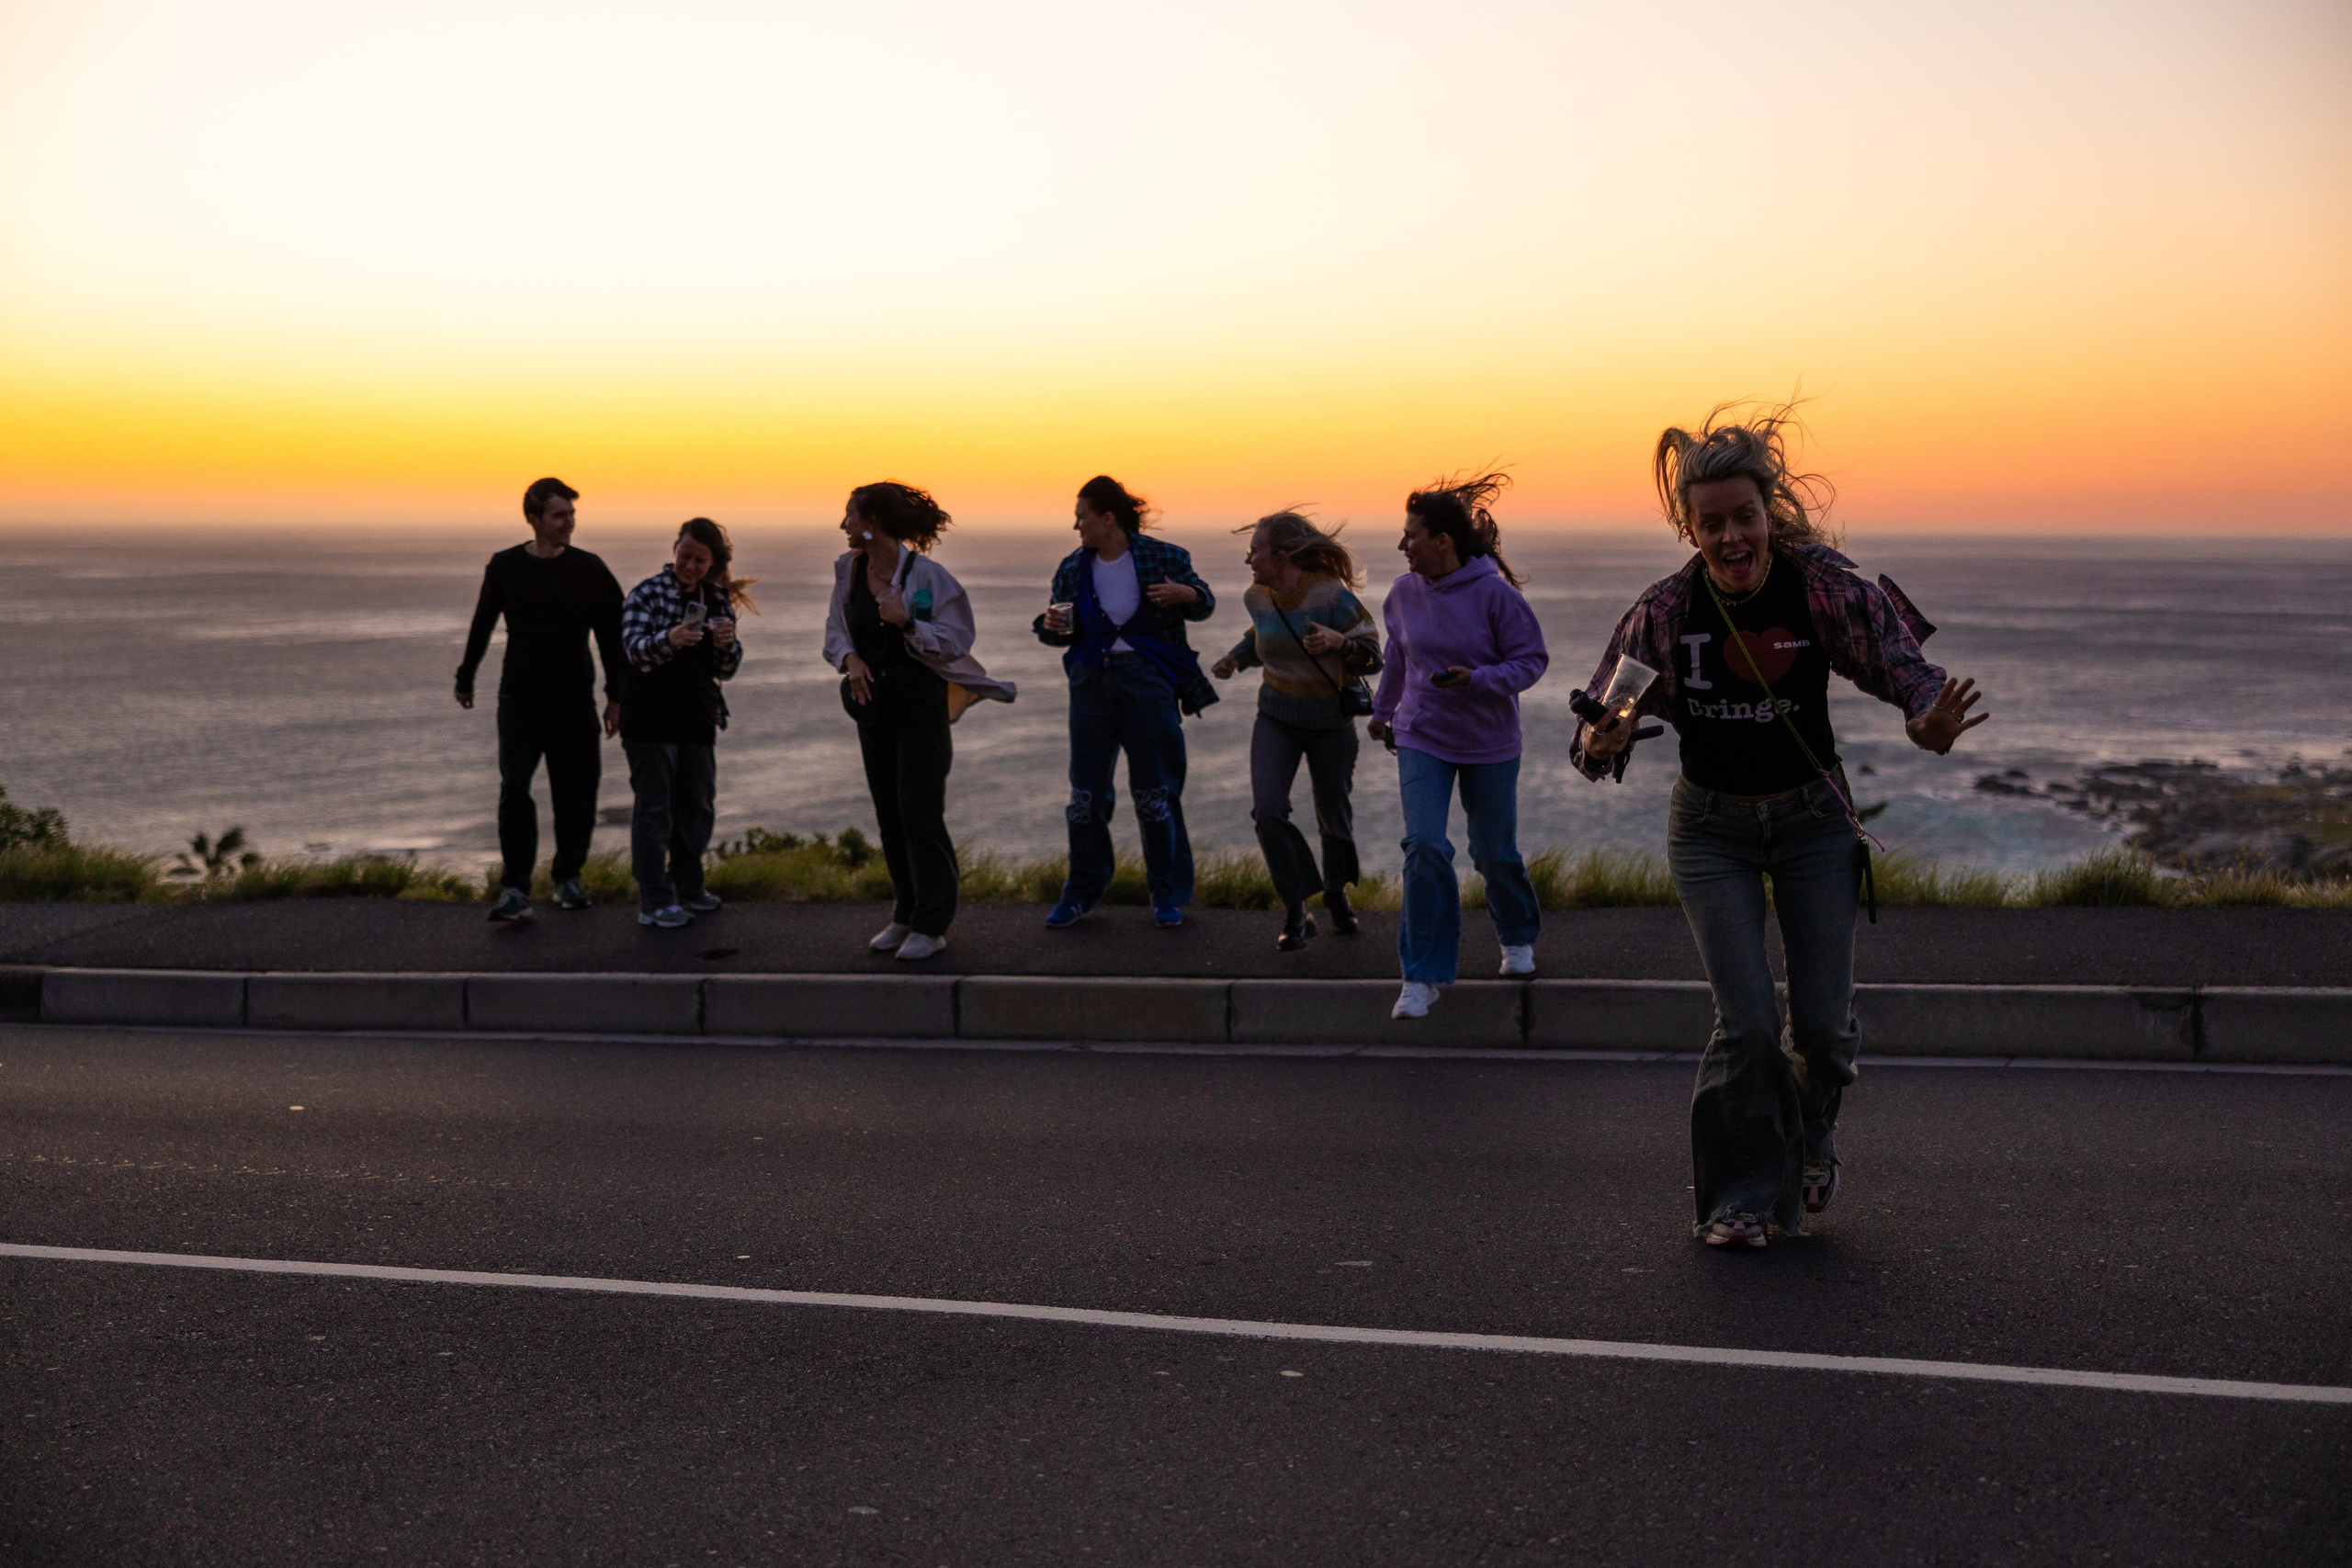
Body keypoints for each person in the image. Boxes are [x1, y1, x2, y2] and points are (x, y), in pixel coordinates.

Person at [1574, 405, 1986, 1250]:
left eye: (1744, 518)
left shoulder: (1822, 586)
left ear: (1771, 513)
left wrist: (1928, 722)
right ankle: (1738, 1200)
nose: (1730, 538)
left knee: (1825, 1033)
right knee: (1750, 1023)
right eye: (1711, 523)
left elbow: (1906, 672)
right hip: (1710, 830)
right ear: (1690, 530)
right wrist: (1602, 738)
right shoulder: (1661, 611)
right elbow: (1593, 731)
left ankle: (1813, 1134)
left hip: (1811, 823)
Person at [1368, 472, 1548, 1019]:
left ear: (1442, 541)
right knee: (1424, 845)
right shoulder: (1401, 594)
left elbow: (1531, 661)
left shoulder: (1495, 595)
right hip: (1422, 734)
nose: (1403, 546)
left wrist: (1478, 679)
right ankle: (1421, 977)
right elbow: (1399, 657)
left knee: (1494, 853)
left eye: (1411, 535)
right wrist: (1382, 714)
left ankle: (1516, 938)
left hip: (1490, 740)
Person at [823, 481, 1016, 962]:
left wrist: (908, 622)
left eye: (851, 516)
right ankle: (905, 913)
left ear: (875, 524)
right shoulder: (848, 571)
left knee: (919, 811)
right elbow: (834, 632)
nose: (844, 525)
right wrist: (850, 659)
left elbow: (957, 640)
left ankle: (933, 924)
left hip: (920, 703)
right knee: (889, 812)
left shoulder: (928, 577)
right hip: (873, 705)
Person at [1034, 476, 1218, 930]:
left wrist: (1186, 593)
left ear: (1107, 518)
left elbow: (1204, 603)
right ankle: (1081, 893)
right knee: (1086, 793)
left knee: (1156, 791)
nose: (1076, 525)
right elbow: (1055, 628)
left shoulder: (1166, 557)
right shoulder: (1073, 567)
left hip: (1147, 680)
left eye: (1082, 516)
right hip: (1090, 681)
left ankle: (1168, 895)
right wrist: (1048, 626)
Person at [456, 477, 627, 923]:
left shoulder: (590, 569)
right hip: (520, 701)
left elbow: (613, 637)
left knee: (578, 793)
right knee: (514, 789)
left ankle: (568, 878)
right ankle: (515, 888)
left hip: (574, 702)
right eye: (559, 515)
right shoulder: (505, 566)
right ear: (534, 518)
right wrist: (466, 676)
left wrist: (616, 697)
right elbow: (482, 622)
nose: (569, 523)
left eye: (571, 515)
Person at [1211, 510, 1382, 951]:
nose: (1248, 559)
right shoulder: (1257, 597)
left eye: (1254, 551)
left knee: (1334, 817)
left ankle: (1337, 893)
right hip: (1276, 716)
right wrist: (1235, 657)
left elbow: (1374, 655)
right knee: (1267, 811)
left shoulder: (1330, 594)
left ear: (1281, 555)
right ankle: (1295, 907)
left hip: (1329, 721)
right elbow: (1260, 635)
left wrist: (1338, 642)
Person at [619, 518, 752, 929]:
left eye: (699, 560)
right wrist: (671, 638)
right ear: (674, 549)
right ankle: (654, 901)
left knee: (696, 807)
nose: (689, 566)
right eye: (684, 556)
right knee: (655, 811)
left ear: (712, 564)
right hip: (649, 719)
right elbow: (634, 651)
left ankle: (689, 888)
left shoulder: (715, 598)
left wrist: (727, 645)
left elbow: (726, 670)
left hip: (697, 718)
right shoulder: (646, 593)